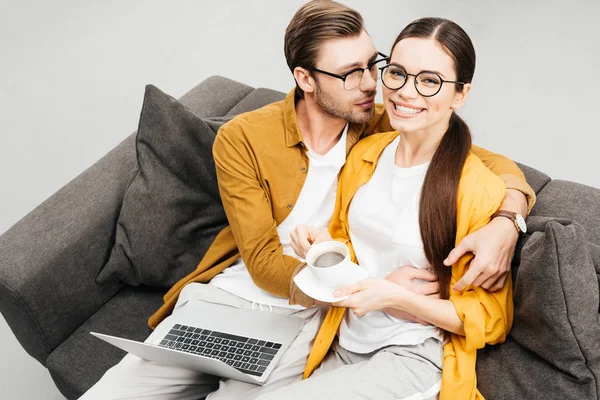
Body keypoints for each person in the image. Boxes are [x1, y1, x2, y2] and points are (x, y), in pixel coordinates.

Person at [80, 1, 534, 399]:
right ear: (306, 78)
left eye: (374, 65)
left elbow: (484, 162)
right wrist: (348, 275)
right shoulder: (252, 139)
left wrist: (507, 221)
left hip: (321, 317)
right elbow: (262, 259)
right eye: (351, 73)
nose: (373, 85)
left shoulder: (381, 125)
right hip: (249, 299)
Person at [279, 16, 514, 400]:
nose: (406, 92)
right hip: (344, 338)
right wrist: (325, 246)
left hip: (411, 354)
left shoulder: (475, 189)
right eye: (398, 73)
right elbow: (353, 243)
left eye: (429, 81)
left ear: (460, 94)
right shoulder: (368, 154)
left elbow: (490, 321)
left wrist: (394, 297)